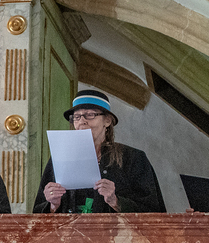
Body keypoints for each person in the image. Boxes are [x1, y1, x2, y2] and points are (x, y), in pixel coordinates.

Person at [33, 89, 165, 214]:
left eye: (90, 115)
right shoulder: (60, 158)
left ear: (107, 121)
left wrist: (115, 201)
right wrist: (53, 205)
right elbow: (38, 215)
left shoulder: (133, 158)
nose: (82, 121)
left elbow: (154, 212)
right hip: (69, 231)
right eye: (77, 117)